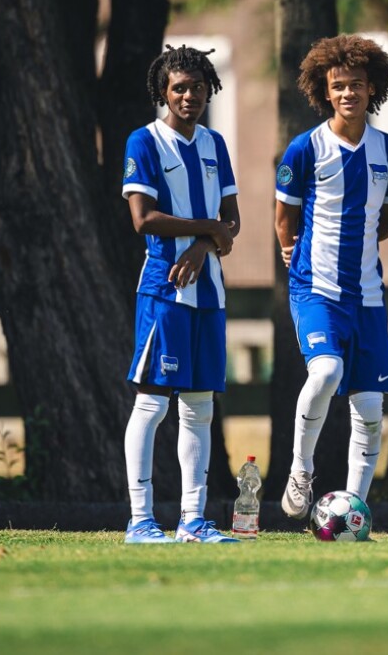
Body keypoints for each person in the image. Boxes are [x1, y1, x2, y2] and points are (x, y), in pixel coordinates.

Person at [275, 35, 388, 519]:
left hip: (368, 296)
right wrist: (291, 252)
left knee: (370, 410)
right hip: (316, 289)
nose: (348, 93)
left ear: (372, 89)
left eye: (356, 85)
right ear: (324, 92)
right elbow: (283, 217)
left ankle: (352, 511)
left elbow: (387, 222)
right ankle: (300, 471)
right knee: (326, 372)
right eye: (338, 86)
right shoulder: (305, 148)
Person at [121, 45, 241, 544]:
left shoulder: (215, 144)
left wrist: (201, 242)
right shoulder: (144, 141)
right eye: (179, 88)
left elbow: (232, 223)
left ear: (210, 88)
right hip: (164, 291)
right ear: (162, 92)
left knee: (200, 408)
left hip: (209, 293)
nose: (189, 96)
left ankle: (194, 519)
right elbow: (142, 219)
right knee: (152, 405)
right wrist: (206, 231)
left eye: (197, 87)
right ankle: (140, 519)